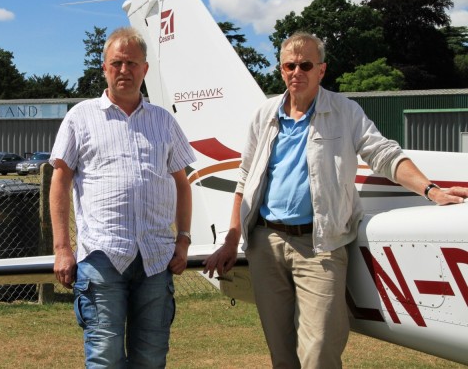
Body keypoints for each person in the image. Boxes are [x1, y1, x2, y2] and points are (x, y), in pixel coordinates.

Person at [203, 32, 468, 369]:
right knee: (282, 355)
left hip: (320, 245)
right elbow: (245, 180)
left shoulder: (345, 111)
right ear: (281, 70)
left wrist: (431, 191)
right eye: (289, 65)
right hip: (266, 243)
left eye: (305, 65)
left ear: (322, 69)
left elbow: (384, 155)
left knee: (320, 351)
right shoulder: (265, 114)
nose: (296, 72)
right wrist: (231, 240)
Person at [49, 26, 196, 368]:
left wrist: (184, 239)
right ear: (104, 68)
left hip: (156, 257)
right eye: (116, 63)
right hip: (102, 256)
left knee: (151, 357)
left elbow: (183, 183)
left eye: (132, 63)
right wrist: (62, 249)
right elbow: (60, 181)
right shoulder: (80, 117)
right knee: (105, 357)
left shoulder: (163, 121)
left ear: (145, 69)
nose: (124, 70)